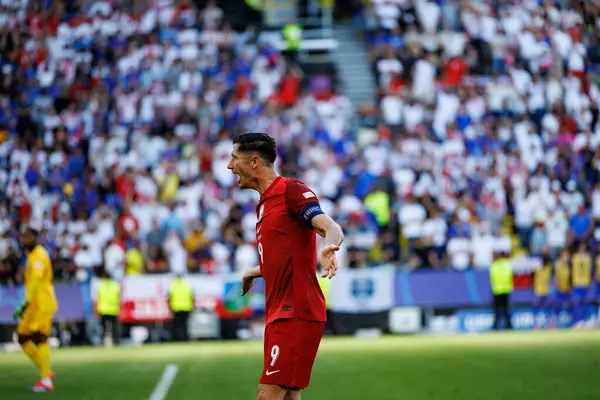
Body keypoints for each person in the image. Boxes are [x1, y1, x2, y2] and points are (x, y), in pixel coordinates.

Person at [227, 132, 344, 400]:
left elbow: (330, 226)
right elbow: (282, 258)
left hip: (295, 311)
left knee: (267, 394)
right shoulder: (263, 205)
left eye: (234, 158)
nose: (229, 166)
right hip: (281, 312)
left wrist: (330, 246)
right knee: (289, 395)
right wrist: (254, 272)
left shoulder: (291, 191)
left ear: (254, 161)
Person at [13, 222, 57, 392]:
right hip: (33, 305)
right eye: (23, 236)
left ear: (35, 238)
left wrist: (25, 301)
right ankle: (46, 370)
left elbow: (37, 280)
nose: (25, 239)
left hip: (42, 304)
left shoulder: (39, 255)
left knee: (40, 338)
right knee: (22, 338)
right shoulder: (31, 255)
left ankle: (46, 380)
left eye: (28, 236)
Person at [489, 248, 513, 330]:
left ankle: (496, 326)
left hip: (497, 290)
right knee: (506, 309)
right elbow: (509, 276)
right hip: (506, 289)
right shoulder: (507, 264)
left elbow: (492, 277)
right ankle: (508, 325)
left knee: (497, 310)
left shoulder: (494, 265)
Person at [96, 269, 121, 347]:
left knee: (104, 327)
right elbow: (119, 296)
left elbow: (97, 298)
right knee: (114, 327)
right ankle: (115, 341)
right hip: (113, 308)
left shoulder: (100, 285)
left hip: (103, 309)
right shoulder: (115, 285)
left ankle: (104, 342)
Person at [570, 241, 592, 328]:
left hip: (585, 283)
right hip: (577, 283)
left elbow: (590, 271)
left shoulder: (586, 258)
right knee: (577, 303)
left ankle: (587, 320)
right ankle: (577, 321)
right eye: (581, 247)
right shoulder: (575, 257)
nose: (582, 248)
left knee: (586, 303)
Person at [169, 272, 194, 341]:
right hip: (186, 307)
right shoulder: (187, 285)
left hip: (176, 307)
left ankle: (176, 338)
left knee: (176, 325)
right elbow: (191, 296)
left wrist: (170, 307)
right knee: (185, 324)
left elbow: (170, 297)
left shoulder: (173, 285)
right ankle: (185, 338)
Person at [533, 250, 553, 329]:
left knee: (547, 308)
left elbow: (551, 279)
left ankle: (549, 324)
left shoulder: (549, 268)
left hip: (546, 290)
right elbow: (533, 278)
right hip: (538, 290)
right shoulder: (537, 268)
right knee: (537, 309)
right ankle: (538, 324)